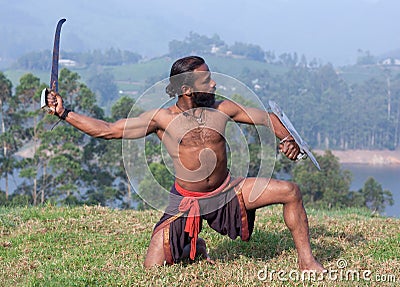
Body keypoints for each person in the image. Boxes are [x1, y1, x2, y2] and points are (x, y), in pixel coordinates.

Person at [45, 56, 324, 271]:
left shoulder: (222, 109)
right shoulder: (161, 119)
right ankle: (193, 244)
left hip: (227, 192)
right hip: (186, 201)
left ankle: (306, 262)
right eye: (207, 80)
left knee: (291, 191)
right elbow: (106, 129)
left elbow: (266, 117)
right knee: (152, 269)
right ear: (187, 88)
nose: (214, 84)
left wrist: (287, 138)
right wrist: (64, 113)